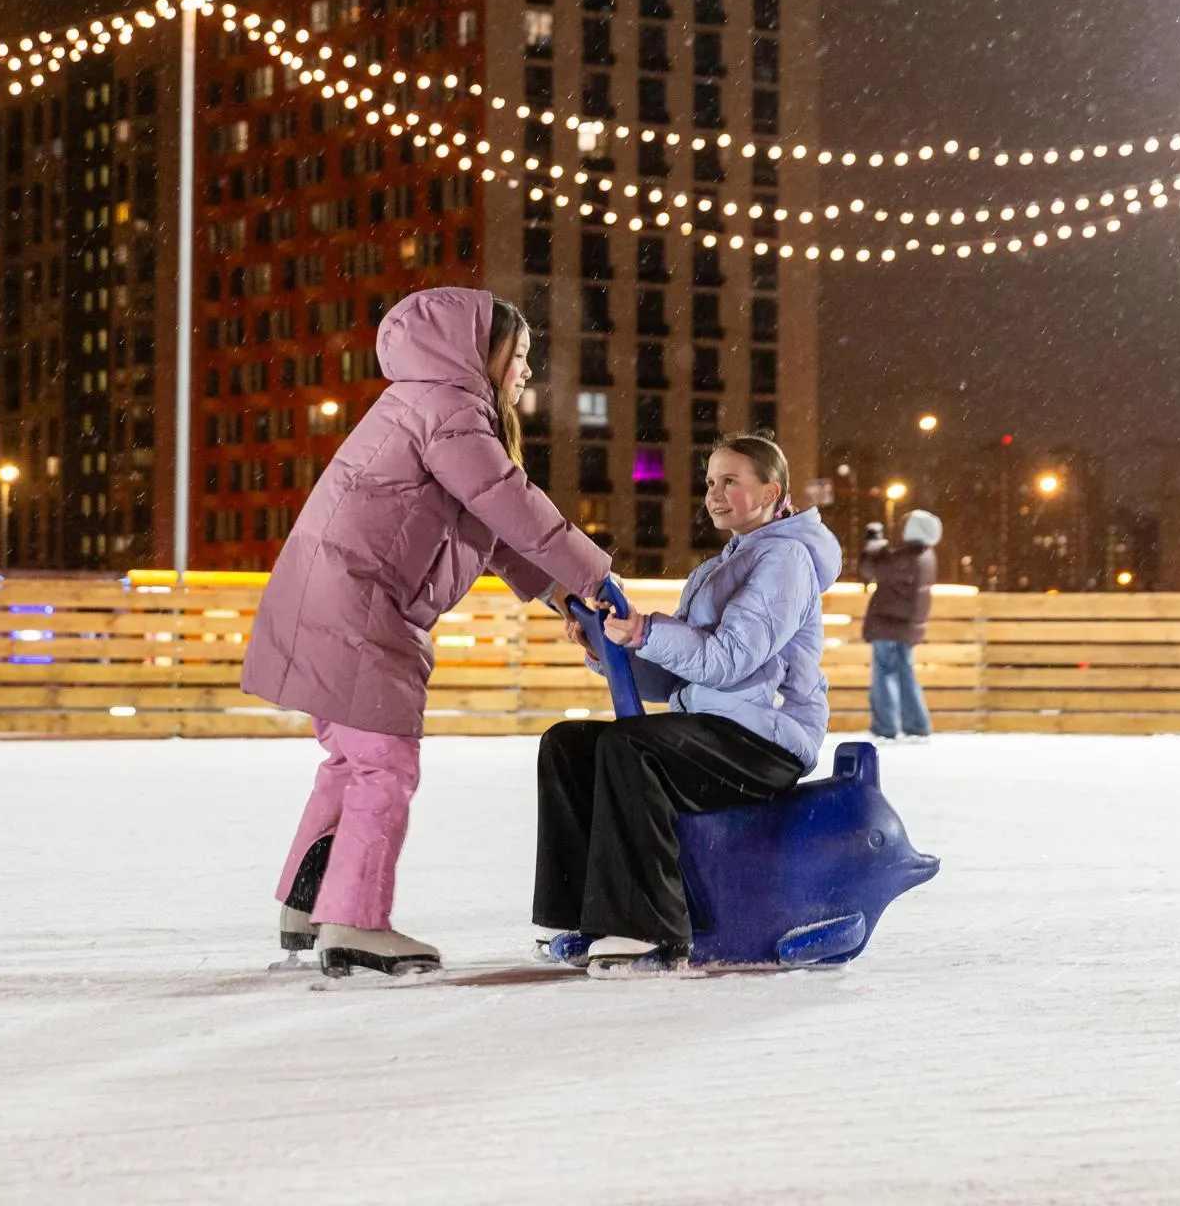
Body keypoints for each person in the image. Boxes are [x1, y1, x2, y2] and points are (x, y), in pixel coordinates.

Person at [242, 287, 612, 978]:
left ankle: (310, 904)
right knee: (385, 763)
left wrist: (563, 592)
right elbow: (513, 504)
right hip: (358, 604)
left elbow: (490, 528)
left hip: (339, 599)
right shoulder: (449, 409)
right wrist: (594, 576)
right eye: (521, 356)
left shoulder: (426, 407)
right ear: (476, 351)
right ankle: (353, 923)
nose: (527, 371)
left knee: (353, 762)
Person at [533, 433, 843, 977]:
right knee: (569, 745)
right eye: (709, 482)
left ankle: (651, 927)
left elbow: (728, 660)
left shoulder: (787, 560)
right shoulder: (726, 562)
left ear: (772, 490)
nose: (715, 494)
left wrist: (647, 631)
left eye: (731, 481)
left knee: (633, 749)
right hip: (713, 727)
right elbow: (681, 673)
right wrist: (610, 648)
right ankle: (583, 914)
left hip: (765, 740)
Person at [861, 508, 942, 741]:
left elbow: (873, 570)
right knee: (905, 674)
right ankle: (916, 724)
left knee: (885, 675)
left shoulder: (909, 557)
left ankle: (886, 726)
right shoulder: (926, 555)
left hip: (890, 624)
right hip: (903, 625)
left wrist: (873, 547)